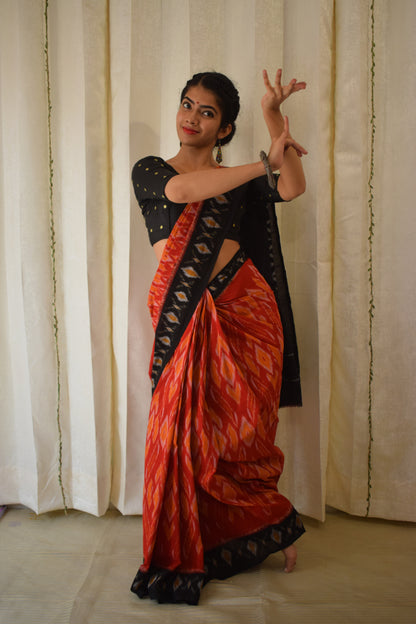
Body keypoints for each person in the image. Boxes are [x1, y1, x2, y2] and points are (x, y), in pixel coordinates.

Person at [130, 69, 307, 605]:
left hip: (244, 305)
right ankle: (187, 538)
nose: (191, 117)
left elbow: (293, 186)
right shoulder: (152, 170)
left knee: (242, 430)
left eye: (206, 112)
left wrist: (275, 121)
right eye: (187, 105)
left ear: (225, 128)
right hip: (183, 312)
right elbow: (184, 191)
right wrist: (261, 161)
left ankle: (267, 523)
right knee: (182, 432)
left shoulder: (239, 179)